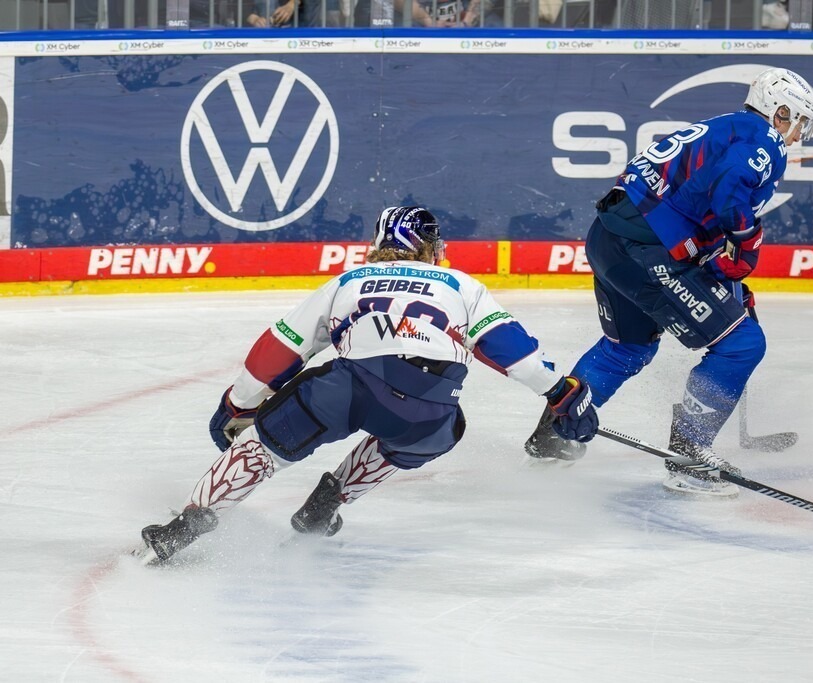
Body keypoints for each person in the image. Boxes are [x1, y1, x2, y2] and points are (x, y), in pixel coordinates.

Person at [138, 206, 599, 564]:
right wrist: (561, 394)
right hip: (430, 411)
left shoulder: (350, 280)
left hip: (346, 389)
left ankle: (187, 524)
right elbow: (514, 354)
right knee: (413, 436)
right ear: (429, 247)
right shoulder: (462, 286)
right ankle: (329, 501)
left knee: (266, 446)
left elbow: (280, 348)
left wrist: (238, 404)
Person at [524, 68, 813, 498]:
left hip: (610, 239)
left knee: (628, 347)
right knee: (741, 344)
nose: (799, 134)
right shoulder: (764, 140)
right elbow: (729, 193)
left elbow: (687, 198)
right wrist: (746, 243)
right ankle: (689, 456)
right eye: (800, 121)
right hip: (649, 249)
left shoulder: (727, 128)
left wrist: (719, 270)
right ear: (780, 113)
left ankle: (554, 437)